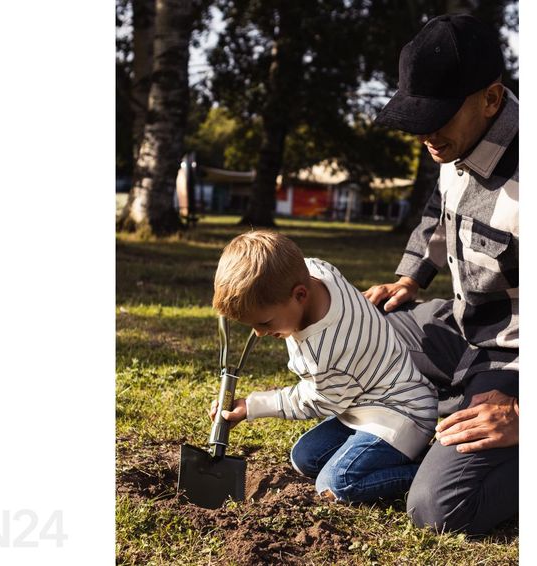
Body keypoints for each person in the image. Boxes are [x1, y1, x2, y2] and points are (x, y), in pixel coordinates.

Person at [365, 13, 519, 535]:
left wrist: (524, 412)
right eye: (417, 115)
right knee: (360, 330)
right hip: (463, 328)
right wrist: (410, 278)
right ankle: (444, 408)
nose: (426, 134)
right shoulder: (456, 137)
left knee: (437, 508)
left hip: (516, 358)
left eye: (437, 117)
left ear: (491, 99)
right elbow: (440, 208)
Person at [209, 230, 438, 503]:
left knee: (336, 484)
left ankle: (427, 471)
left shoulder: (326, 352)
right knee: (305, 458)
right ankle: (394, 456)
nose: (258, 333)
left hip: (401, 414)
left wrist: (253, 406)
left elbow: (315, 401)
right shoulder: (314, 269)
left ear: (300, 294)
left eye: (265, 322)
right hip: (359, 402)